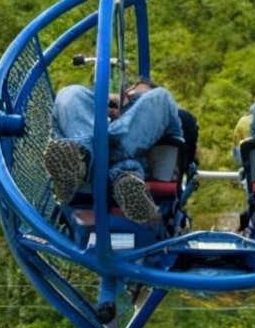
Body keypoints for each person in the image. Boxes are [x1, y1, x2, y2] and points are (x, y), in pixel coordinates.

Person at [44, 77, 185, 224]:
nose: (135, 99)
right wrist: (106, 113)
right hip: (114, 169)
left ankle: (84, 156)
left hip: (141, 163)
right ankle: (86, 159)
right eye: (131, 95)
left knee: (160, 97)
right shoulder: (96, 115)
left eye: (140, 96)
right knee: (71, 93)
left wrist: (133, 112)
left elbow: (174, 127)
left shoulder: (158, 111)